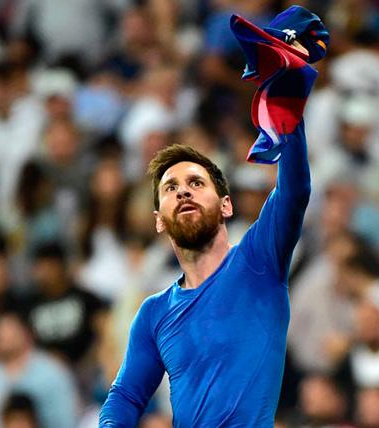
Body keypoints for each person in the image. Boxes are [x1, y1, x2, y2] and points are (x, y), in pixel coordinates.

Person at [99, 6, 324, 426]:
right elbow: (125, 396)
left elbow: (295, 192)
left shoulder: (259, 260)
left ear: (226, 206)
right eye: (170, 188)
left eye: (196, 183)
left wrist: (285, 101)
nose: (183, 190)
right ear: (159, 220)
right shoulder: (153, 313)